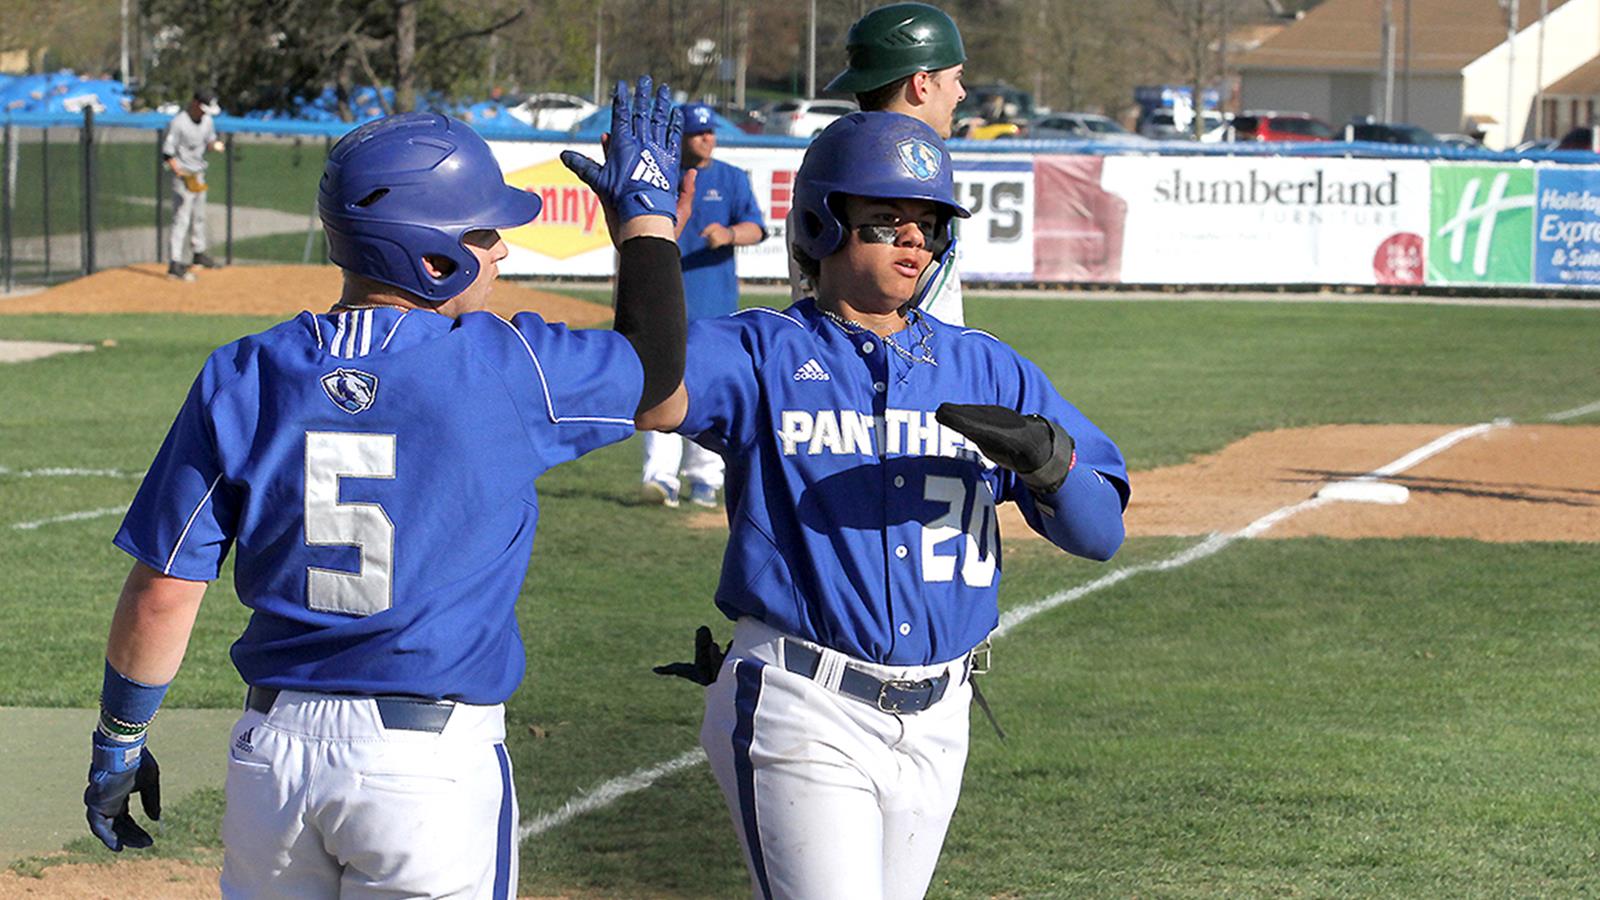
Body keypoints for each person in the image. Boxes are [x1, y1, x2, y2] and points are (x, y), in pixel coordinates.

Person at [82, 77, 686, 898]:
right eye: (485, 234)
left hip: (272, 761)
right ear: (430, 258)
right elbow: (657, 376)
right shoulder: (506, 366)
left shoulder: (245, 372)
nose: (502, 250)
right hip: (425, 768)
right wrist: (645, 223)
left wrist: (120, 739)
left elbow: (163, 592)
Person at [642, 111, 1129, 900]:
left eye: (930, 224)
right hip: (804, 701)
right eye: (886, 221)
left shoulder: (986, 367)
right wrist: (648, 227)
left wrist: (1050, 464)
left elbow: (1101, 532)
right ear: (820, 224)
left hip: (942, 717)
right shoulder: (760, 350)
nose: (914, 240)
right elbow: (653, 390)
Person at [787, 2, 969, 326]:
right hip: (898, 369)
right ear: (922, 83)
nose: (961, 93)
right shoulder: (916, 175)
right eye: (955, 77)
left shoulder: (831, 161)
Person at [641, 102, 767, 509]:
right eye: (698, 133)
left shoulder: (730, 178)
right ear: (681, 138)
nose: (707, 138)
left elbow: (756, 228)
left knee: (710, 390)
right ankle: (660, 479)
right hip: (665, 301)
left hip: (715, 306)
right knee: (659, 389)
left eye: (709, 131)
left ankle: (704, 479)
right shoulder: (660, 178)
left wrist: (729, 234)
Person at [163, 89, 225, 281]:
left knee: (199, 216)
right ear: (195, 103)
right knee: (181, 218)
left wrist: (214, 145)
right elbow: (167, 153)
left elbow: (209, 140)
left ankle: (198, 253)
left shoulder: (207, 121)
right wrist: (179, 172)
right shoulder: (179, 122)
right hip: (183, 176)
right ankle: (174, 262)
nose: (205, 112)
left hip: (198, 174)